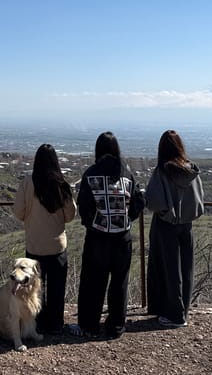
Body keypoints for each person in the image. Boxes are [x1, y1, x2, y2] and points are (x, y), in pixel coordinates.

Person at [70, 131, 144, 339]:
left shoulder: (91, 173)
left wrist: (92, 223)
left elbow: (84, 206)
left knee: (93, 282)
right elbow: (139, 202)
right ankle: (116, 327)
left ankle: (89, 326)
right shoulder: (126, 173)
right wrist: (127, 219)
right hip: (123, 238)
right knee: (119, 283)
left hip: (98, 237)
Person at [13, 144, 77, 334]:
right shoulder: (62, 185)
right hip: (57, 246)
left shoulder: (27, 183)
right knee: (57, 288)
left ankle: (37, 323)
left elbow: (18, 212)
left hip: (34, 246)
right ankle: (56, 324)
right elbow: (71, 215)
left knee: (34, 288)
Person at [145, 129, 204, 328]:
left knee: (167, 269)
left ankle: (173, 314)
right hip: (186, 226)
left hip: (165, 225)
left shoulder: (162, 171)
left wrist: (165, 211)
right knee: (185, 269)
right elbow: (198, 200)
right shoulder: (191, 170)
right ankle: (181, 311)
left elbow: (153, 202)